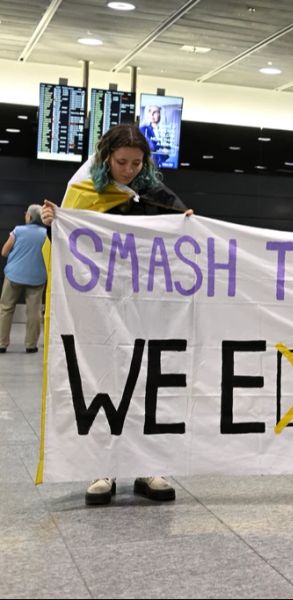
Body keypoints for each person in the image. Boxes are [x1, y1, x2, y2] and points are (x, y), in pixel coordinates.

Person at [41, 123, 192, 506]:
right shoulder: (83, 191)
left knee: (146, 380)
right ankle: (101, 467)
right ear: (106, 158)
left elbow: (181, 234)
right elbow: (67, 249)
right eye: (122, 162)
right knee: (102, 381)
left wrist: (189, 221)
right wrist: (52, 227)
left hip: (144, 305)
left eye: (137, 163)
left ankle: (148, 465)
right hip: (99, 304)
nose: (129, 171)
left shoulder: (154, 190)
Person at [0, 205, 48, 354]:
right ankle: (31, 345)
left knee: (6, 309)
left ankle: (2, 343)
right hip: (37, 277)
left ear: (29, 216)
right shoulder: (46, 234)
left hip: (14, 274)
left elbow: (4, 251)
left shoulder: (18, 231)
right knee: (34, 311)